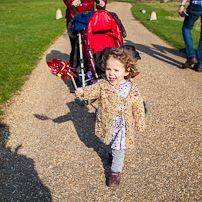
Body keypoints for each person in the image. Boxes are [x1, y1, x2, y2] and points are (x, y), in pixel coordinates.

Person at [75, 47, 145, 187]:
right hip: (107, 123)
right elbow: (92, 90)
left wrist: (139, 122)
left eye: (116, 70)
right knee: (106, 143)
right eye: (108, 69)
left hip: (123, 126)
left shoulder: (132, 88)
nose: (111, 73)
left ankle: (115, 173)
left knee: (119, 150)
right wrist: (82, 91)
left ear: (127, 71)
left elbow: (138, 106)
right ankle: (110, 153)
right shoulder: (103, 85)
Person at [63, 0, 107, 69]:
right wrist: (71, 2)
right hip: (74, 15)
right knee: (76, 46)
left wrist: (102, 1)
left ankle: (89, 69)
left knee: (89, 45)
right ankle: (73, 70)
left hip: (88, 16)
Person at [178, 0, 202, 72]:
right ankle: (200, 64)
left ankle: (191, 56)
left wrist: (182, 5)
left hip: (196, 5)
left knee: (186, 28)